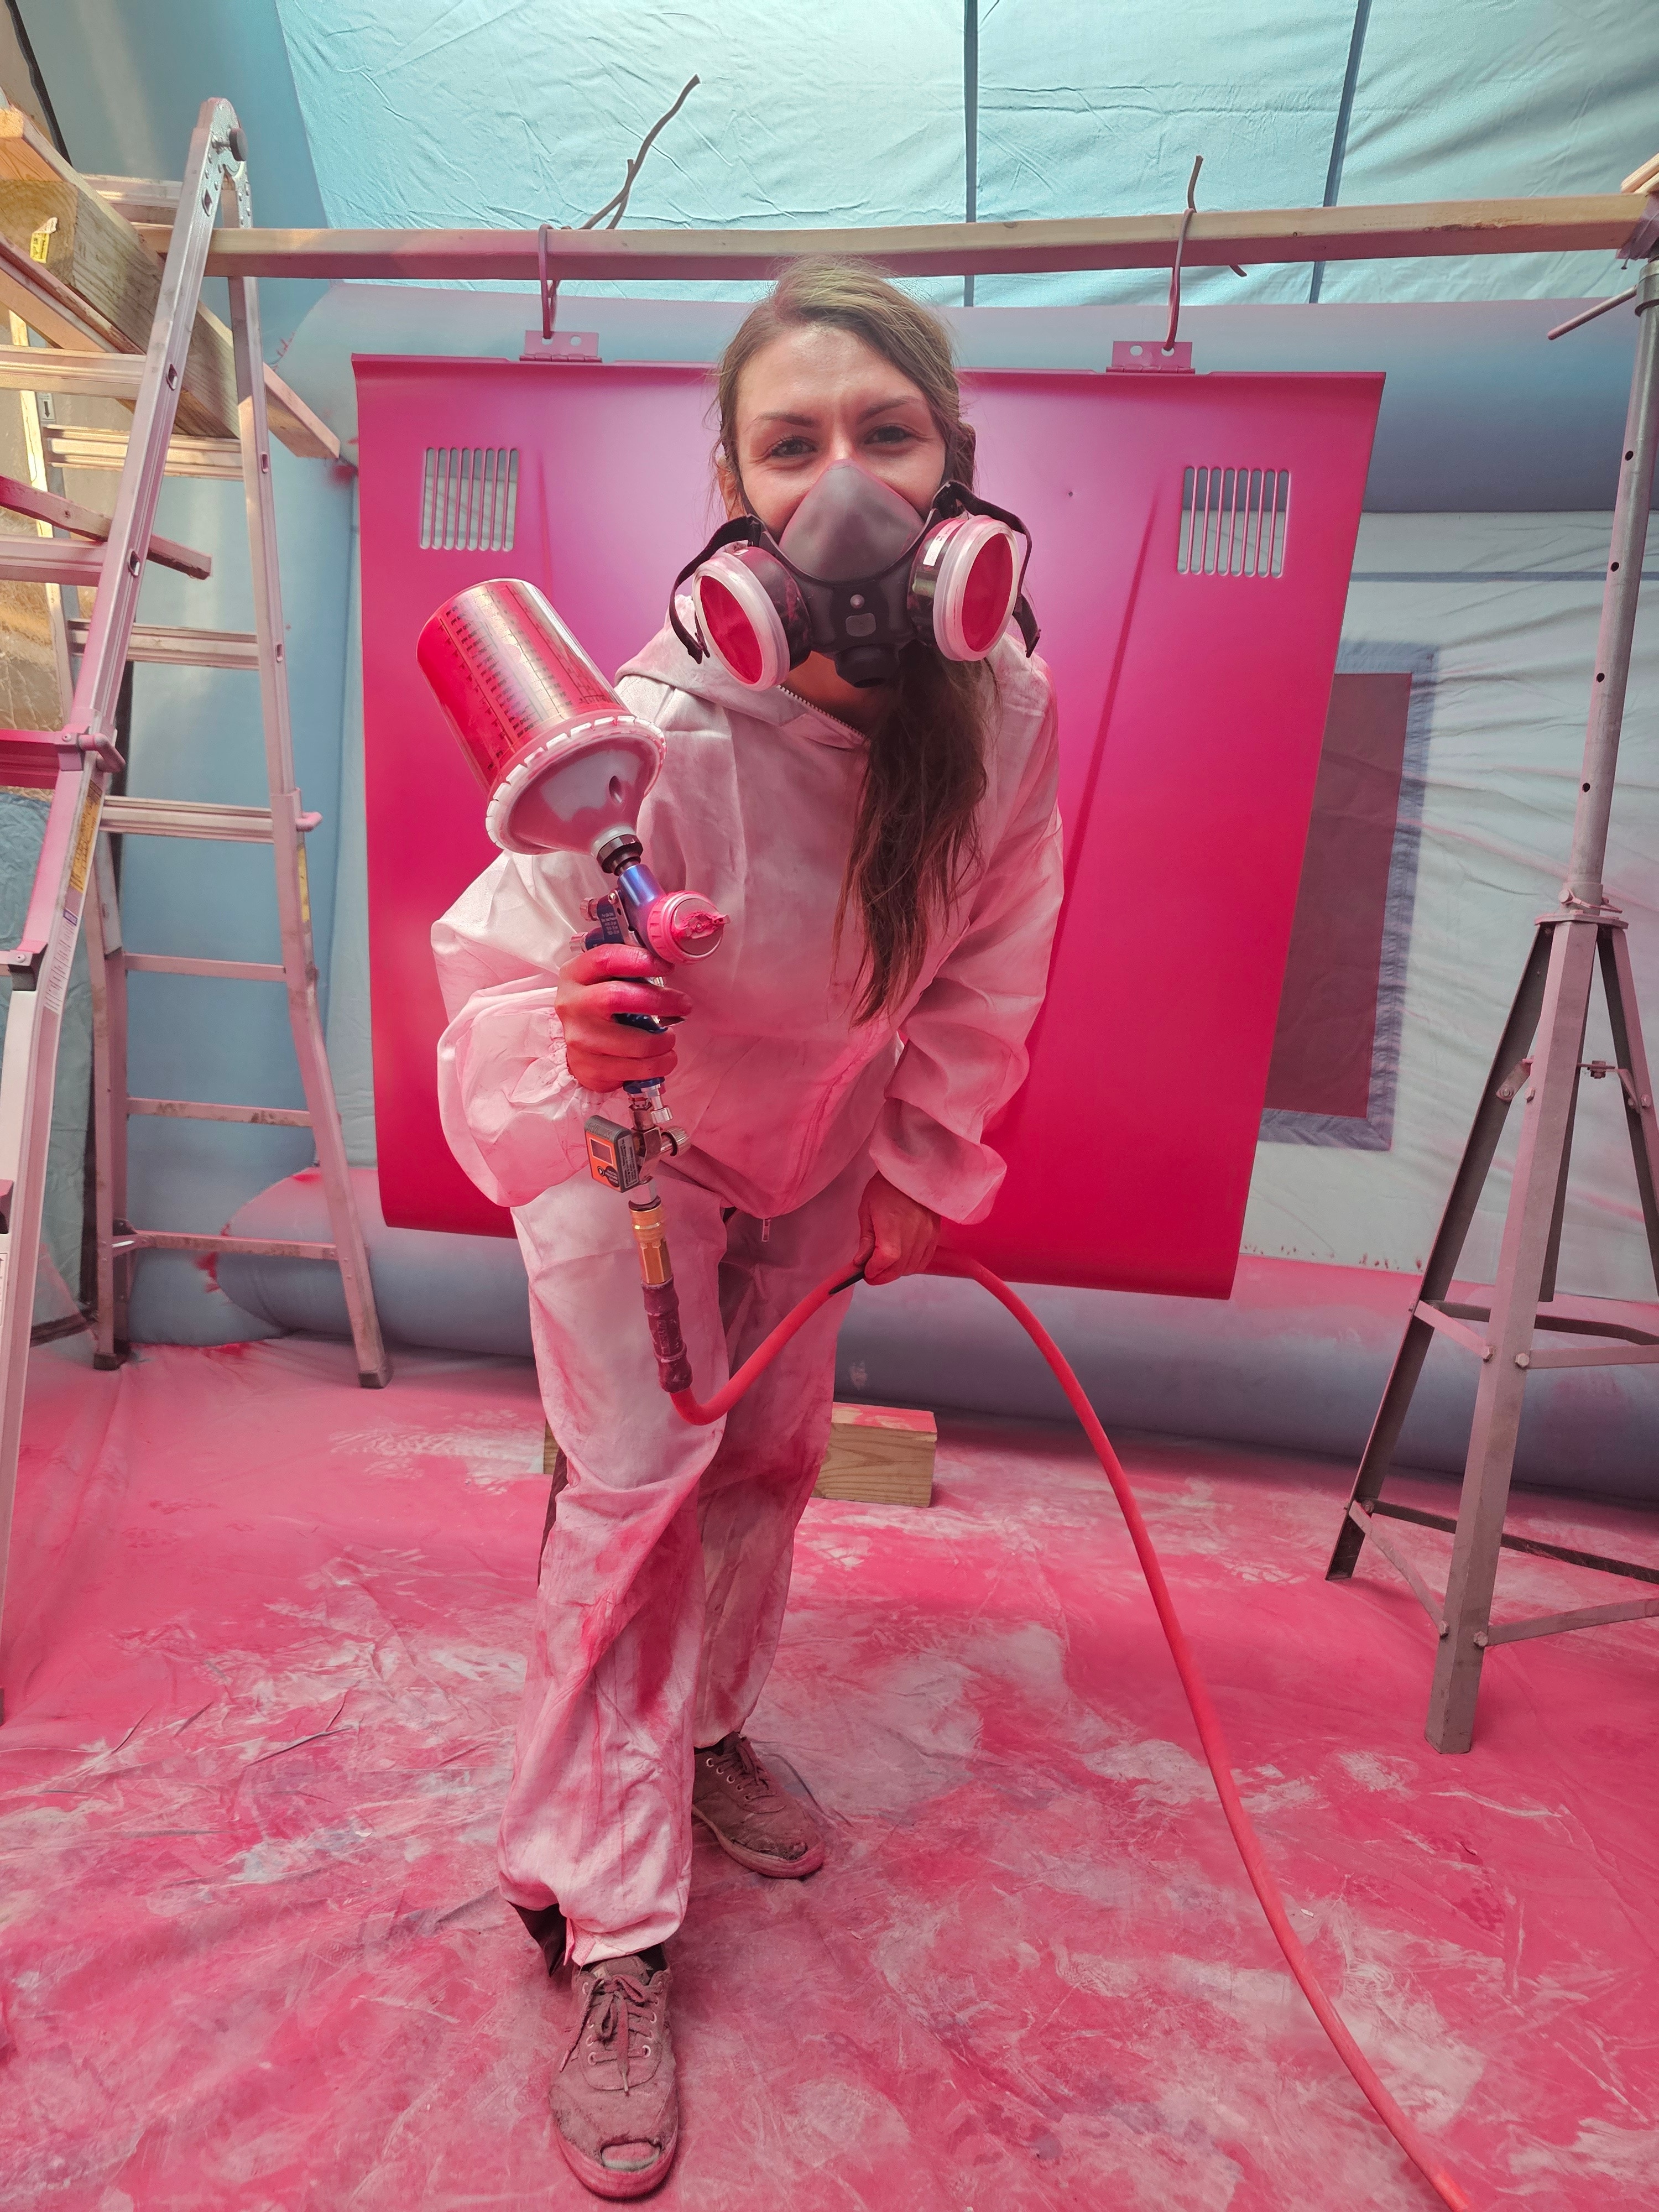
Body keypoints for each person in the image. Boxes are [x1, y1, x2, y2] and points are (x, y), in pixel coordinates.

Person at [432, 257, 1062, 2198]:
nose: (842, 492)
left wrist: (918, 1164)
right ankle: (610, 1929)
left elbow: (989, 953)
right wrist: (579, 1031)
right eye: (790, 445)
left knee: (773, 1470)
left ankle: (703, 1738)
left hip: (823, 1145)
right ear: (729, 487)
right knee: (632, 1502)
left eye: (887, 435)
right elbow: (491, 989)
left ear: (957, 474)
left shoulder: (1002, 703)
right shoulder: (650, 735)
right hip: (633, 1155)